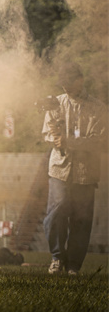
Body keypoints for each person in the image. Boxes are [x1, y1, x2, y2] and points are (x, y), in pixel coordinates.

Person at [42, 62, 107, 275]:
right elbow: (46, 133)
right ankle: (57, 258)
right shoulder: (55, 104)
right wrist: (54, 137)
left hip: (86, 173)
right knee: (56, 211)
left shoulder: (99, 108)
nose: (64, 88)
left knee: (81, 219)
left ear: (80, 80)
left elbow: (99, 141)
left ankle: (73, 266)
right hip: (59, 170)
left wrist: (68, 142)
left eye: (68, 83)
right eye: (62, 85)